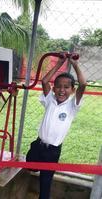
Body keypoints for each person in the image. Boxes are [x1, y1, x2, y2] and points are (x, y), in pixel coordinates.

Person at [26, 53, 87, 199]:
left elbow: (83, 84)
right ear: (54, 89)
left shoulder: (73, 106)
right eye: (58, 87)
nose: (61, 90)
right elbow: (45, 81)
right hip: (38, 145)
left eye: (66, 87)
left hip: (52, 151)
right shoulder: (50, 100)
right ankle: (34, 165)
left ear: (72, 90)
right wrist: (60, 63)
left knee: (46, 182)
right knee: (30, 166)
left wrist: (75, 64)